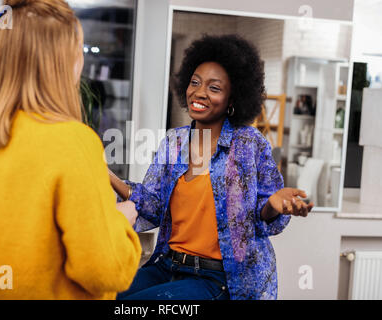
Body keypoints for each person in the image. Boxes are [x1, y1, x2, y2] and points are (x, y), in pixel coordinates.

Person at [0, 0, 141, 300]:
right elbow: (107, 271)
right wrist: (121, 220)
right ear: (65, 64)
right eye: (78, 50)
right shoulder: (75, 143)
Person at [109, 34, 314, 300]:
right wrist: (106, 173)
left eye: (214, 88)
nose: (199, 92)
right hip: (167, 265)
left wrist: (272, 205)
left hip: (220, 278)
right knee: (102, 295)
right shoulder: (175, 141)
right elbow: (153, 206)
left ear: (232, 99)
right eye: (195, 82)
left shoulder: (249, 144)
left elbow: (267, 222)